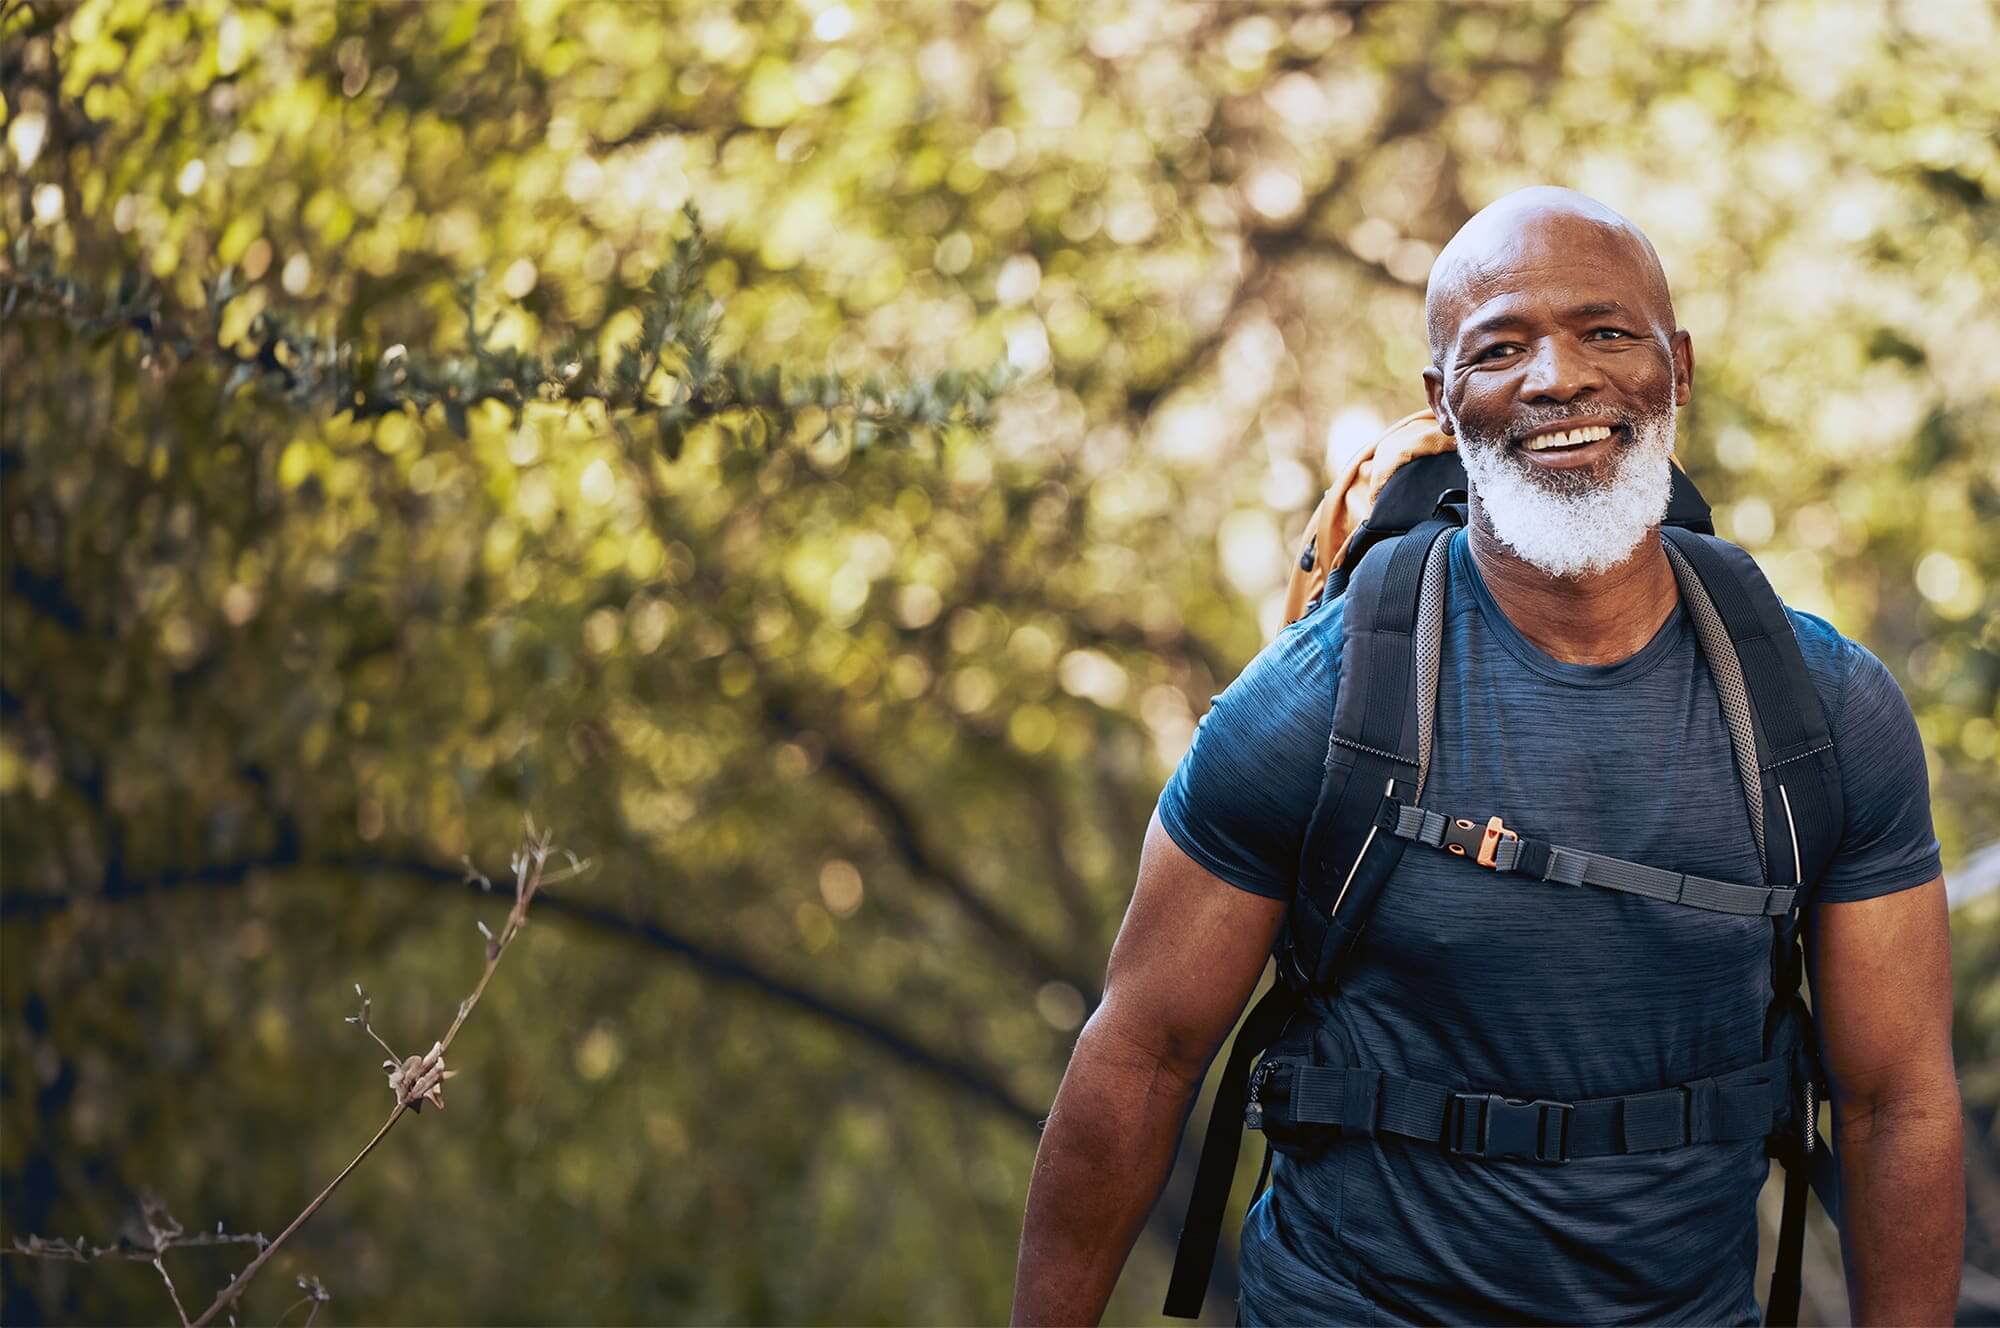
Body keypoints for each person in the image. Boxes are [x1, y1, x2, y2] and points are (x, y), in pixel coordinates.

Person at [1011, 188, 1962, 1326]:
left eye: (1604, 331)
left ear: (1677, 366)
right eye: (1498, 347)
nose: (1556, 377)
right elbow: (1142, 1054)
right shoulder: (1315, 704)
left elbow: (1894, 1099)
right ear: (1442, 399)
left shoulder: (1820, 710)